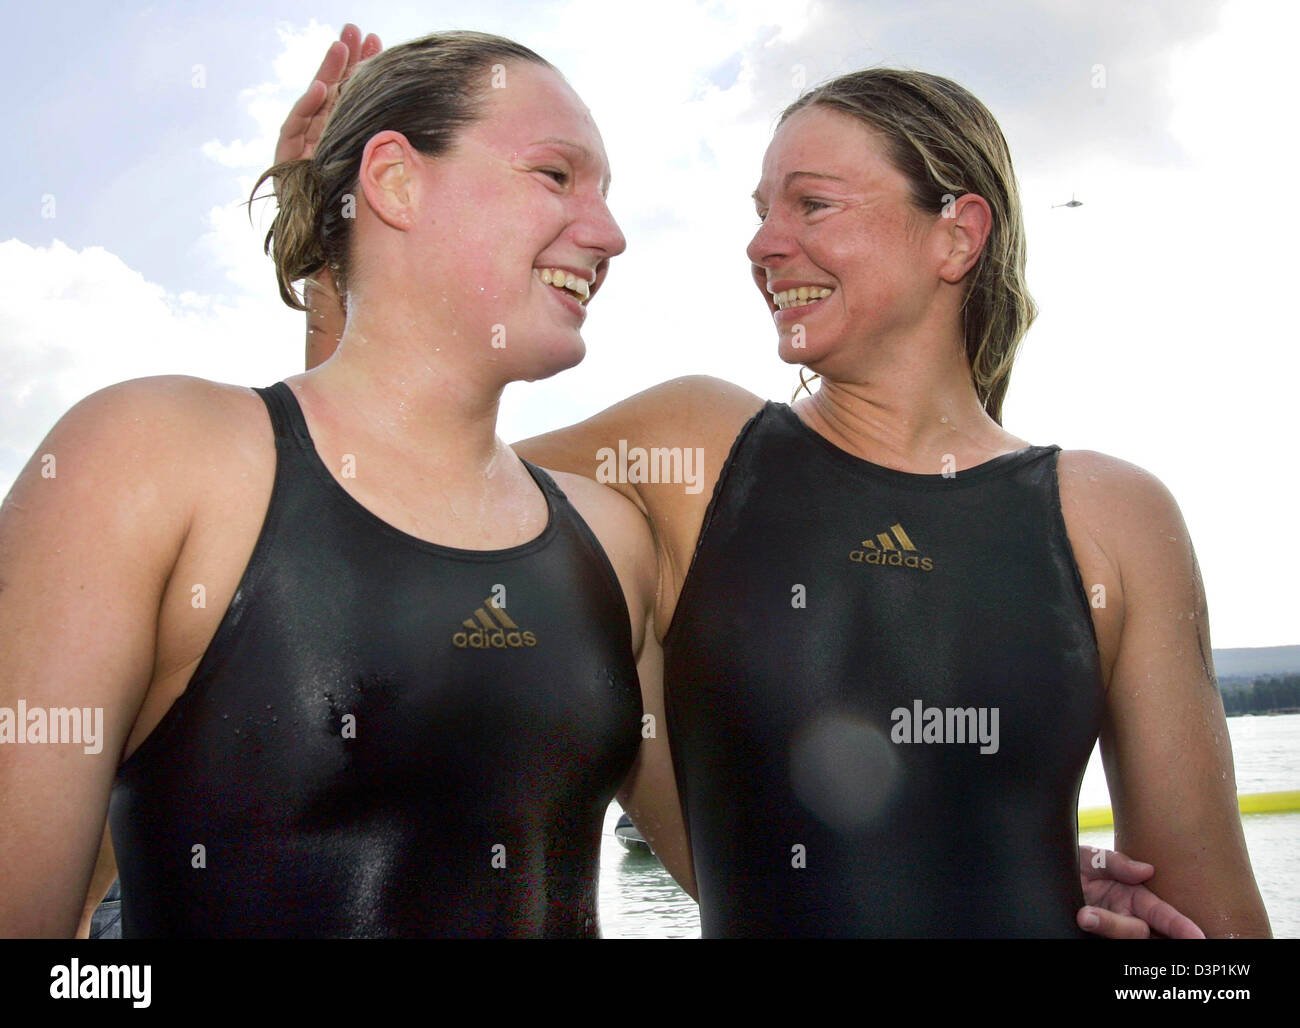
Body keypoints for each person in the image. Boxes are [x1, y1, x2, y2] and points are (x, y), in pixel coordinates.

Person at [286, 31, 1253, 937]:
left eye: (812, 205)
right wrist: (339, 240)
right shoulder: (694, 451)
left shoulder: (1111, 516)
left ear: (956, 237)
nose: (763, 245)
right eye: (761, 214)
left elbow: (1208, 935)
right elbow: (374, 488)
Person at [0, 29, 695, 938]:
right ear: (397, 181)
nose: (610, 234)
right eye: (557, 176)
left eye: (606, 192)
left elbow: (767, 879)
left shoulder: (613, 542)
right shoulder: (146, 461)